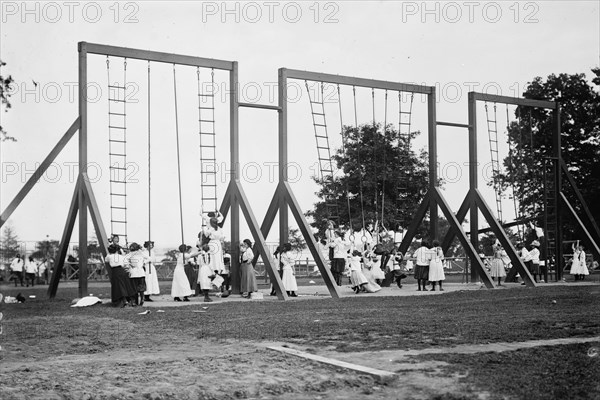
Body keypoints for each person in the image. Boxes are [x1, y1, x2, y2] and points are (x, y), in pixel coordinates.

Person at [201, 207, 226, 277]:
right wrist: (218, 212)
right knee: (218, 257)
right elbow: (222, 217)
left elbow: (206, 235)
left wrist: (203, 229)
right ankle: (218, 270)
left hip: (212, 243)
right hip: (218, 243)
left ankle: (213, 271)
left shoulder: (211, 228)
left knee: (212, 257)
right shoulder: (219, 229)